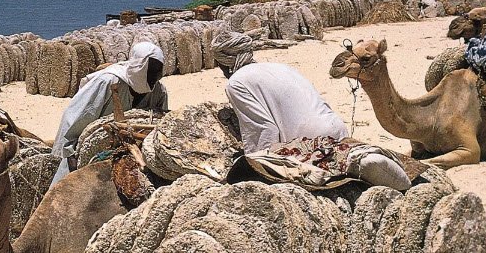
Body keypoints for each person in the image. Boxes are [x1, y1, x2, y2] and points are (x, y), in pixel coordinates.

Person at [213, 30, 410, 190]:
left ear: (223, 62)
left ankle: (357, 163)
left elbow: (263, 128)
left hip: (307, 138)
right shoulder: (279, 66)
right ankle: (355, 155)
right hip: (336, 128)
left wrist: (257, 165)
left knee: (287, 163)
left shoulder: (236, 83)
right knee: (334, 151)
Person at [51, 41, 167, 184]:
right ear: (139, 67)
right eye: (152, 71)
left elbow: (160, 123)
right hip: (91, 150)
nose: (155, 77)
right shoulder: (107, 82)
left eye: (158, 72)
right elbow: (76, 117)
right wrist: (70, 154)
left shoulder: (159, 91)